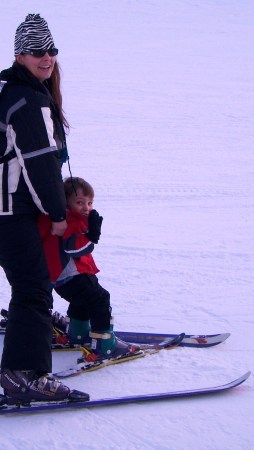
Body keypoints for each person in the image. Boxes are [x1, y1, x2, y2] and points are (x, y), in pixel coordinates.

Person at [0, 14, 84, 403]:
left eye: (50, 50)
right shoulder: (27, 99)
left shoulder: (8, 90)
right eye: (36, 51)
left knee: (29, 279)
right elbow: (39, 162)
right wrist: (57, 213)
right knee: (32, 285)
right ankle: (22, 374)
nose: (46, 58)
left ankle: (31, 331)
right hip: (8, 209)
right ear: (20, 55)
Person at [37, 176, 141, 360]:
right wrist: (92, 235)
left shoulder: (63, 218)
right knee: (100, 299)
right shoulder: (71, 220)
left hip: (63, 277)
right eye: (80, 202)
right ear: (66, 203)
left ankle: (78, 334)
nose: (86, 207)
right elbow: (73, 248)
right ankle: (105, 345)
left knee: (82, 301)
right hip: (74, 275)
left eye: (89, 202)